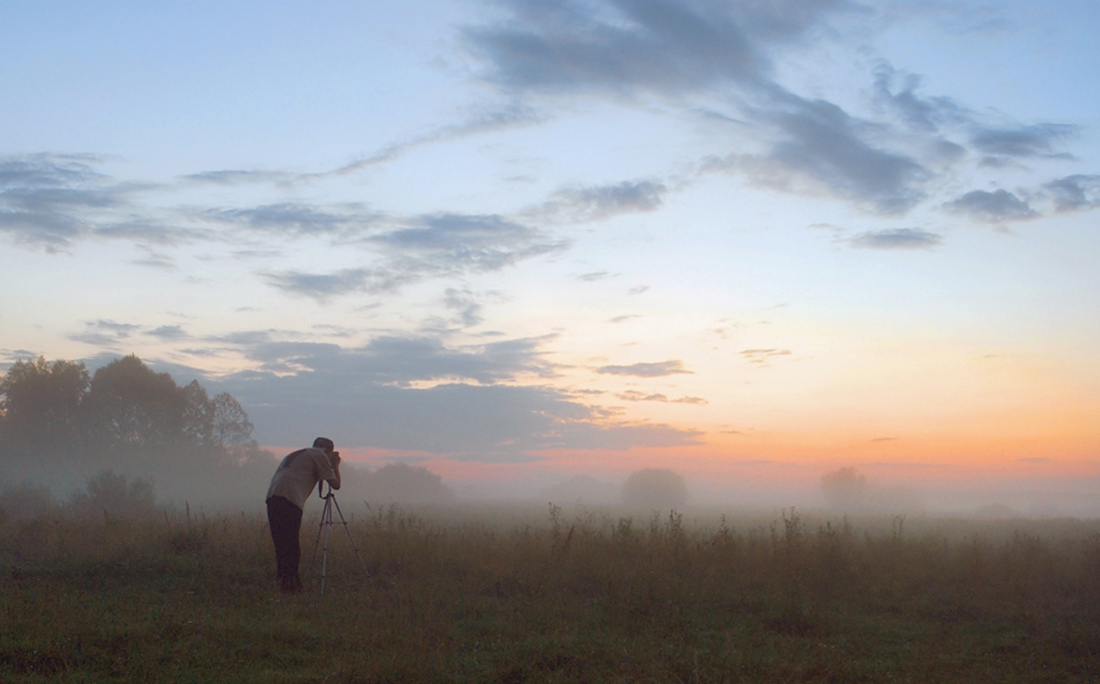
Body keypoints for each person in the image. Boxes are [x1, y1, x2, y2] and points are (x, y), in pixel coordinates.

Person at [265, 437, 342, 594]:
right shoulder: (320, 455)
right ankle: (291, 584)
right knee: (291, 543)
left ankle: (283, 580)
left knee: (281, 542)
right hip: (289, 498)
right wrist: (335, 465)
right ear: (328, 450)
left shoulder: (301, 453)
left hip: (273, 496)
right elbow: (336, 484)